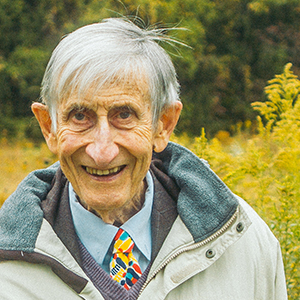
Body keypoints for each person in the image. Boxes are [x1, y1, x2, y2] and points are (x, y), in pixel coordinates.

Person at [0, 17, 287, 300]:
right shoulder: (7, 274)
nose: (102, 151)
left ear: (163, 124)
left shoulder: (244, 243)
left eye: (124, 115)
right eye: (79, 116)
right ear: (49, 127)